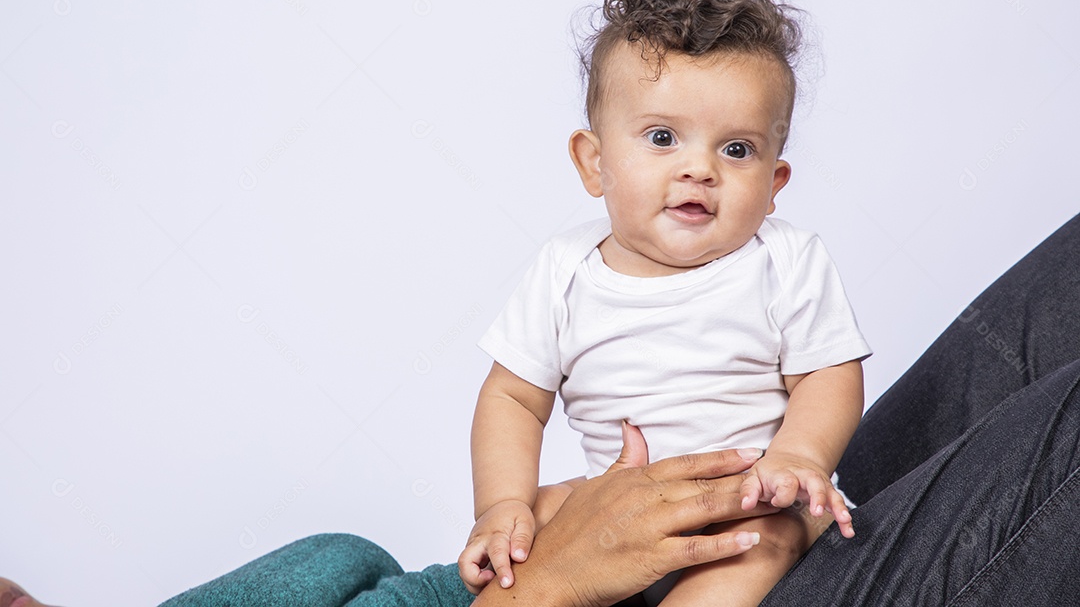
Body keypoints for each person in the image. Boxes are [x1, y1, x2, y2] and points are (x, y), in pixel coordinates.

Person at [7, 214, 1080, 605]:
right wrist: (560, 576)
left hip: (701, 533)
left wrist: (533, 519)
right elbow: (513, 390)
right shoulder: (563, 282)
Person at [461, 0, 871, 605]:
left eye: (737, 149)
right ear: (593, 162)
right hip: (622, 511)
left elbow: (828, 374)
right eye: (662, 138)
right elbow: (513, 398)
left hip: (751, 499)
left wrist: (798, 456)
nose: (699, 168)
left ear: (774, 182)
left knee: (762, 535)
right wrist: (502, 505)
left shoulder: (784, 259)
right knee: (539, 522)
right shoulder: (564, 270)